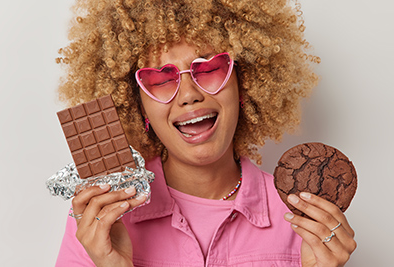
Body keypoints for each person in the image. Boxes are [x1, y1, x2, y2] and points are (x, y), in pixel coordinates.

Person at [55, 0, 356, 266]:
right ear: (138, 106)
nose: (188, 95)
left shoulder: (304, 220)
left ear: (244, 83)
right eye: (160, 78)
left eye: (209, 68)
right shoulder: (102, 218)